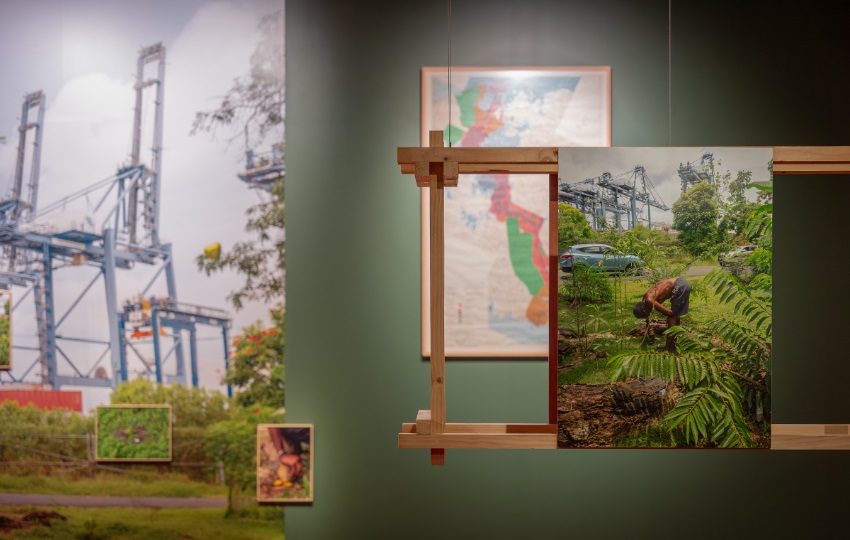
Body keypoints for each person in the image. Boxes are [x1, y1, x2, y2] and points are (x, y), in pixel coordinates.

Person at [633, 276, 691, 352]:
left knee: (671, 317)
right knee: (675, 317)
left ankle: (669, 347)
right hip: (681, 282)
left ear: (644, 311)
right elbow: (647, 319)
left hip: (679, 286)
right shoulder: (644, 300)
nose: (647, 315)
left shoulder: (649, 301)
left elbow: (669, 313)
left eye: (645, 315)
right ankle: (672, 345)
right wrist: (650, 332)